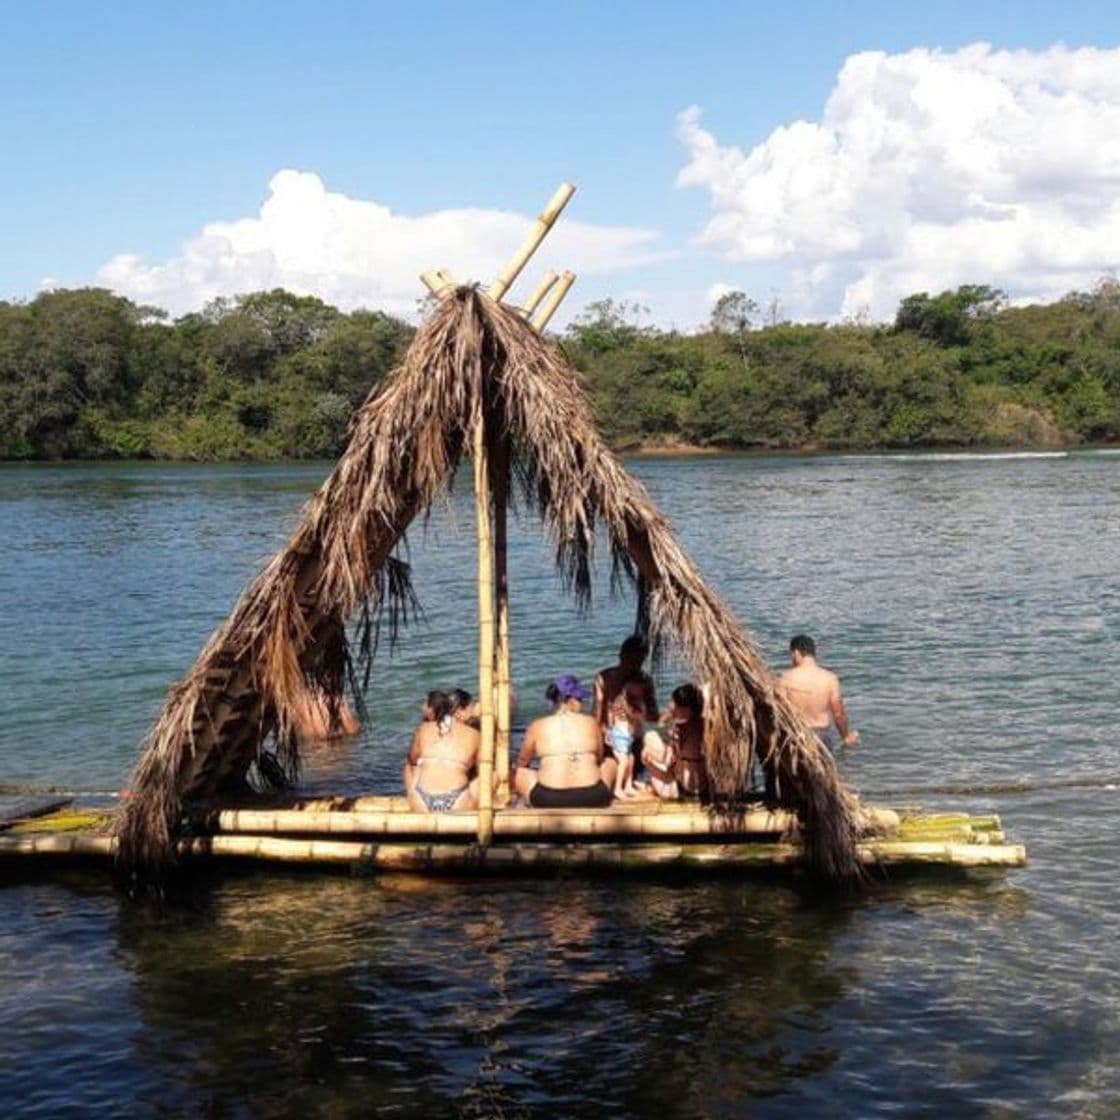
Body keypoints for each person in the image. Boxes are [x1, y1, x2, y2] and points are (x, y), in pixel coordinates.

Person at [515, 675, 614, 808]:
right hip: (594, 796)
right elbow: (599, 758)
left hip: (548, 799)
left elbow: (523, 762)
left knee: (520, 772)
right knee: (610, 762)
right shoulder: (590, 722)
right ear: (570, 700)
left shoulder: (537, 725)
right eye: (579, 699)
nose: (581, 703)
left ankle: (525, 802)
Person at [594, 635, 658, 796]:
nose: (636, 665)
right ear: (622, 655)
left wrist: (638, 712)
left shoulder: (644, 680)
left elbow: (653, 715)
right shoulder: (604, 678)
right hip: (610, 736)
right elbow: (597, 712)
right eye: (633, 660)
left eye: (640, 661)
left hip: (633, 736)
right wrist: (599, 736)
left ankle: (630, 781)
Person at [778, 634, 860, 753]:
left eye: (791, 654)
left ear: (796, 652)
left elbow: (780, 712)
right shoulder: (830, 678)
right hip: (822, 737)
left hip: (796, 735)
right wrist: (846, 737)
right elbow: (839, 714)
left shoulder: (785, 678)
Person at [403, 690, 481, 812]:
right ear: (460, 711)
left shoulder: (423, 729)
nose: (474, 712)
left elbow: (412, 760)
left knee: (412, 764)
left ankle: (412, 798)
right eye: (471, 708)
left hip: (422, 802)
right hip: (459, 803)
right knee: (490, 770)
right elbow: (483, 769)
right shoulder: (475, 735)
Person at [641, 683, 708, 799]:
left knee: (648, 747)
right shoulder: (706, 725)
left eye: (672, 702)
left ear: (683, 708)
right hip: (704, 785)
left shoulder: (680, 729)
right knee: (652, 737)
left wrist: (648, 755)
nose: (669, 705)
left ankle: (651, 786)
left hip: (684, 788)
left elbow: (667, 760)